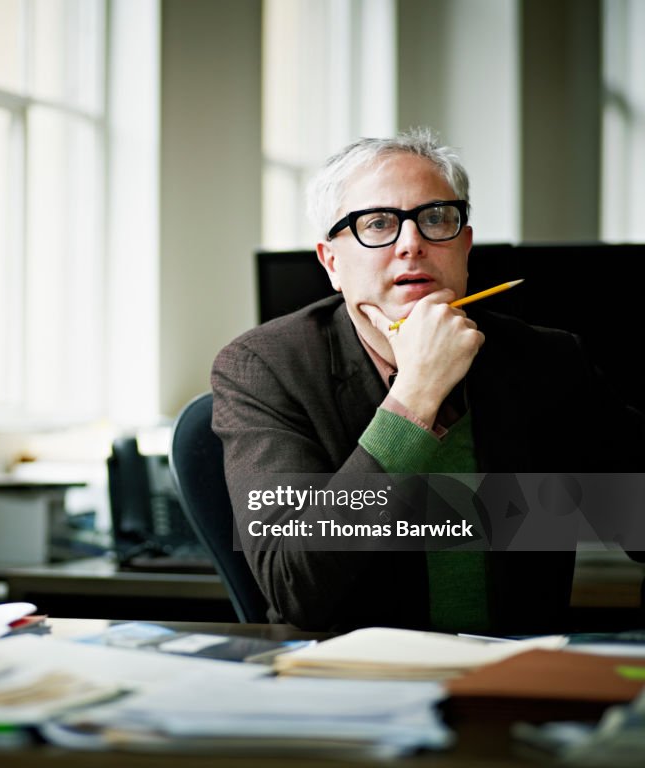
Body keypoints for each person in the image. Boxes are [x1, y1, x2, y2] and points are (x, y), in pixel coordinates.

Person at [212, 128, 644, 635]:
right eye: (376, 224)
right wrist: (415, 396)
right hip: (350, 684)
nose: (411, 243)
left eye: (435, 218)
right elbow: (299, 589)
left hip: (514, 679)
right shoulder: (263, 368)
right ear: (332, 262)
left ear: (464, 246)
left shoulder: (546, 359)